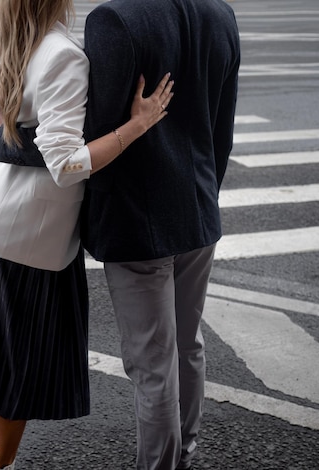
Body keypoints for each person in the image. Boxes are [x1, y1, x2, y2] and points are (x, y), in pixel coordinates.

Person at [0, 0, 174, 468]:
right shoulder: (64, 55)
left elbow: (0, 129)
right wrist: (138, 124)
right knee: (15, 361)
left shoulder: (13, 43)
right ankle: (0, 467)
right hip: (24, 235)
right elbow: (66, 164)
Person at [79, 1, 241, 469]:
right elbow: (222, 129)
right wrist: (203, 194)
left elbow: (99, 131)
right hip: (199, 210)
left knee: (152, 367)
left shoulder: (114, 19)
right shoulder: (220, 13)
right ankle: (184, 452)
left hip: (136, 220)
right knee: (187, 345)